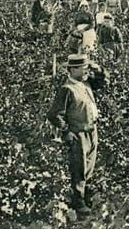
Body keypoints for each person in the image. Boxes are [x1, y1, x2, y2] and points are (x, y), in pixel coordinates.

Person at [46, 54, 108, 215]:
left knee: (90, 166)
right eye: (83, 67)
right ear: (73, 70)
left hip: (91, 131)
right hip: (78, 133)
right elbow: (54, 114)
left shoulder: (85, 83)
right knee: (79, 168)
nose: (86, 70)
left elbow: (103, 82)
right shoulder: (67, 89)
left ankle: (87, 197)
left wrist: (99, 69)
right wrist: (66, 131)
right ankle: (78, 204)